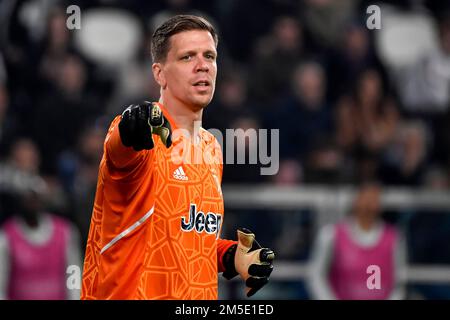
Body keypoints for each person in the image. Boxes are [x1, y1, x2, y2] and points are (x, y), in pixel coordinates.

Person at [81, 15, 275, 300]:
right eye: (187, 57)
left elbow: (186, 240)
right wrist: (131, 129)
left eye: (209, 56)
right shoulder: (142, 135)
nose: (203, 65)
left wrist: (231, 256)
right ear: (159, 74)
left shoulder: (211, 148)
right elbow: (120, 148)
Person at [308, 182, 407, 300]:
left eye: (375, 198)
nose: (370, 204)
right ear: (355, 200)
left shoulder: (394, 238)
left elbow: (399, 282)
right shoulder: (331, 235)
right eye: (366, 198)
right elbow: (316, 276)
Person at [0, 169, 82, 300]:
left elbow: (74, 275)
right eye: (27, 198)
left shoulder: (66, 232)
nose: (31, 203)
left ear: (42, 200)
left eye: (35, 198)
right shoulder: (6, 236)